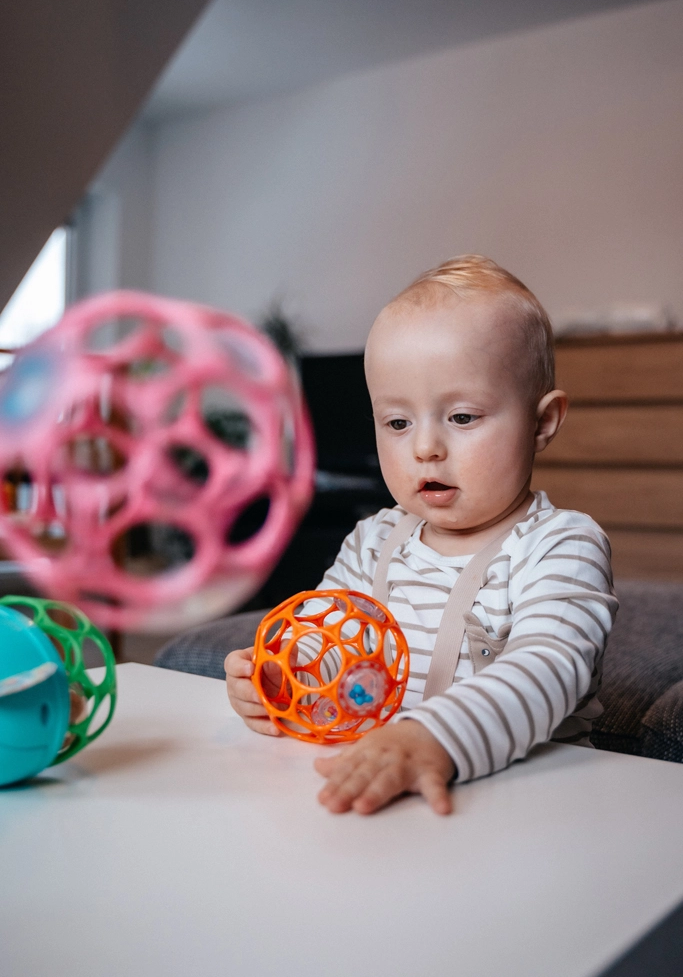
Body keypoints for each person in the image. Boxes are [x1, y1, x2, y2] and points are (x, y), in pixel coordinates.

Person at [225, 255, 618, 816]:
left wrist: (431, 738)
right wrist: (282, 676)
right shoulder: (372, 541)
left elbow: (548, 668)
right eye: (397, 422)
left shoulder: (562, 544)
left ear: (542, 422)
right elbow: (325, 642)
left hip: (529, 803)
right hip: (388, 788)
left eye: (462, 417)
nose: (425, 448)